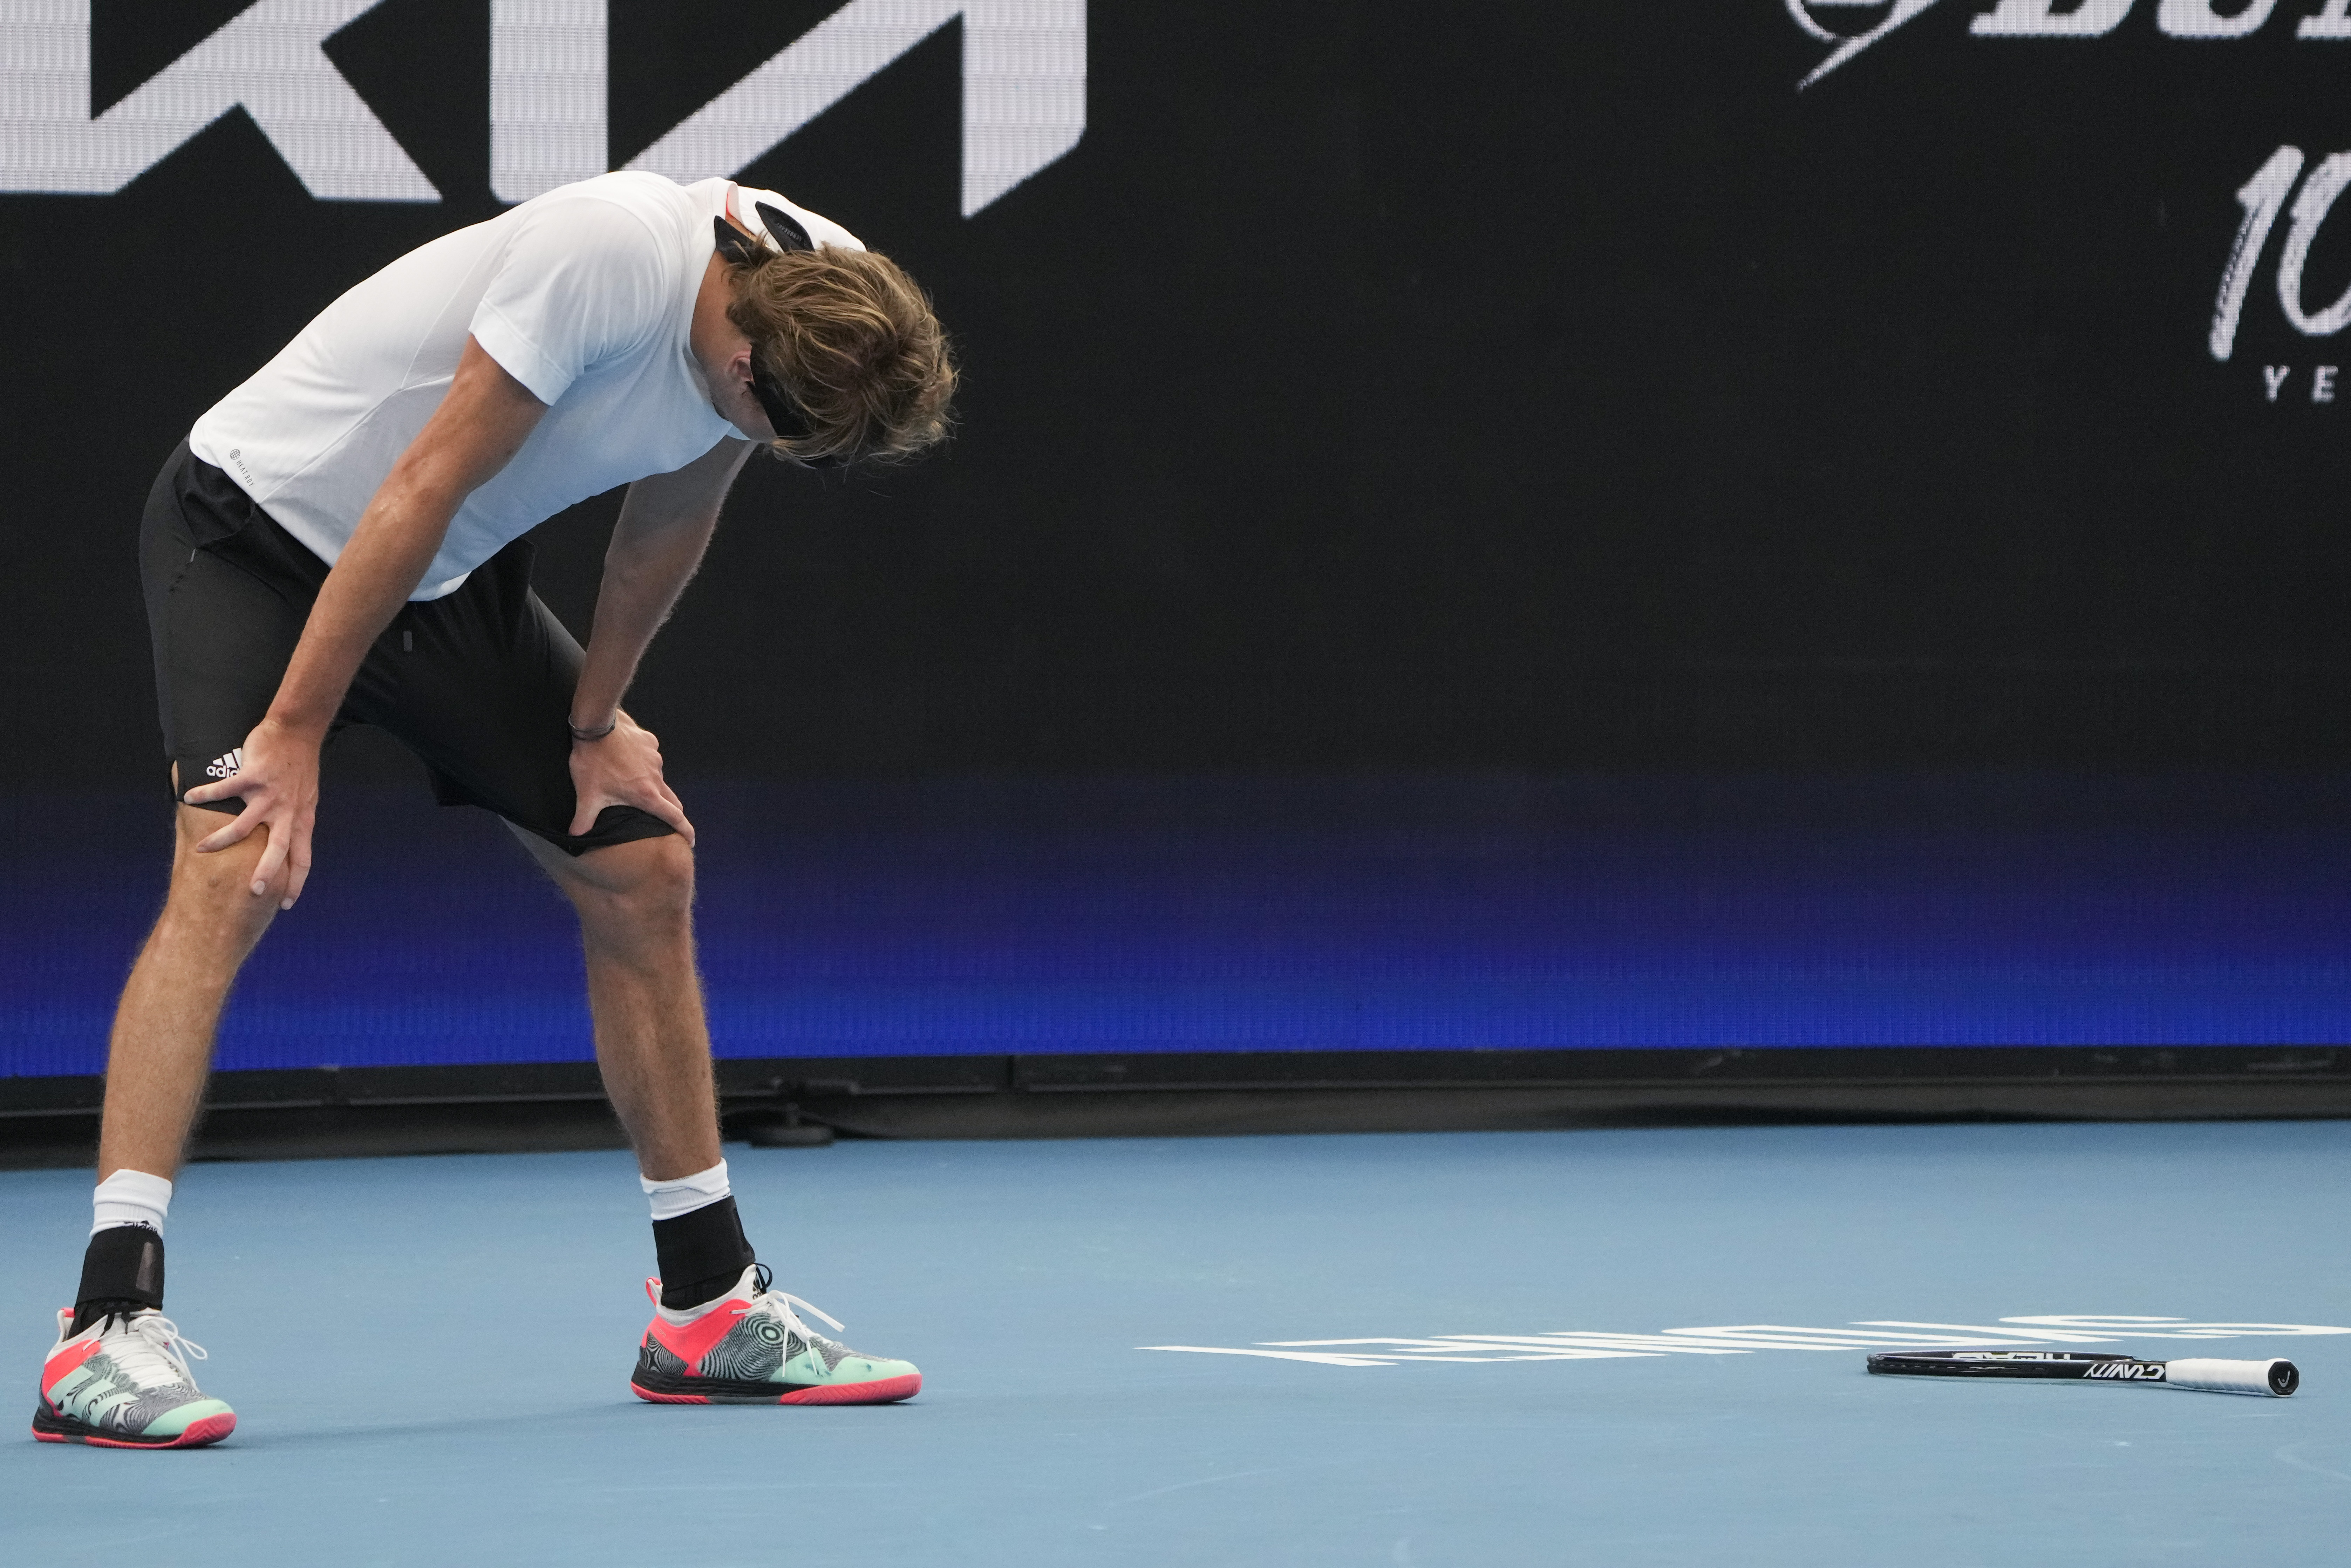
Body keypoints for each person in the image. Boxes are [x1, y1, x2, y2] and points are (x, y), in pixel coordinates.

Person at [32, 172, 956, 1447]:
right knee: (233, 863)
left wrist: (594, 723)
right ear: (743, 357)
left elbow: (661, 529)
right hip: (252, 530)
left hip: (441, 571)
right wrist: (293, 732)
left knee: (642, 866)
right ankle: (104, 1326)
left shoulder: (822, 303)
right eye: (769, 425)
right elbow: (412, 486)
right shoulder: (607, 257)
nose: (766, 446)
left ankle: (704, 1305)